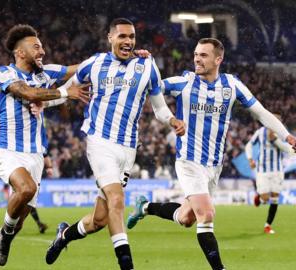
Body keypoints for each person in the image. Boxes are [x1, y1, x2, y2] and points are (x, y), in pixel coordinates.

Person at [127, 38, 296, 270]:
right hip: (189, 161)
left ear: (219, 59)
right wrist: (149, 64)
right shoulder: (184, 82)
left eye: (204, 55)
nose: (197, 58)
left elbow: (261, 113)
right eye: (196, 54)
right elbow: (152, 86)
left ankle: (145, 208)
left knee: (187, 218)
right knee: (206, 214)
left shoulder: (231, 85)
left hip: (214, 165)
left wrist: (286, 136)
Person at [45, 18, 185, 270]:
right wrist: (42, 103)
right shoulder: (95, 63)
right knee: (117, 200)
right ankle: (126, 264)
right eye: (122, 36)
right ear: (110, 38)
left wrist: (172, 119)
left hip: (128, 149)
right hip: (100, 142)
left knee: (99, 219)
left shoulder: (147, 65)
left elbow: (159, 106)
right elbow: (67, 88)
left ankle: (64, 235)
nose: (128, 41)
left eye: (131, 36)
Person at [0, 24, 89, 270]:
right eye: (36, 47)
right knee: (26, 189)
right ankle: (5, 236)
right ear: (20, 52)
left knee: (18, 222)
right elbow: (28, 93)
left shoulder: (45, 74)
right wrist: (65, 93)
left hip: (34, 157)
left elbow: (81, 68)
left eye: (42, 46)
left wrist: (117, 55)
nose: (42, 51)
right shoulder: (3, 73)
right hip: (9, 152)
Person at [245, 114, 295, 234]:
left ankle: (267, 225)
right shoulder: (260, 132)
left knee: (275, 198)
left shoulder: (283, 134)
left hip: (277, 170)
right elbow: (249, 145)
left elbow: (286, 149)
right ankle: (260, 197)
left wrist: (275, 140)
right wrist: (250, 159)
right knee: (265, 198)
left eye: (278, 121)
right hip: (263, 169)